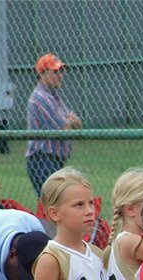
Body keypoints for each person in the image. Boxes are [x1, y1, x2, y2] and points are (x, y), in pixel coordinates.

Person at [26, 53, 82, 197]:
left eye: (61, 71)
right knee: (54, 205)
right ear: (43, 73)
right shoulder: (40, 97)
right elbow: (63, 130)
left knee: (56, 205)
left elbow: (78, 124)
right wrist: (69, 123)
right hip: (43, 161)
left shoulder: (53, 96)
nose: (60, 75)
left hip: (53, 160)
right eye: (55, 72)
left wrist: (70, 123)